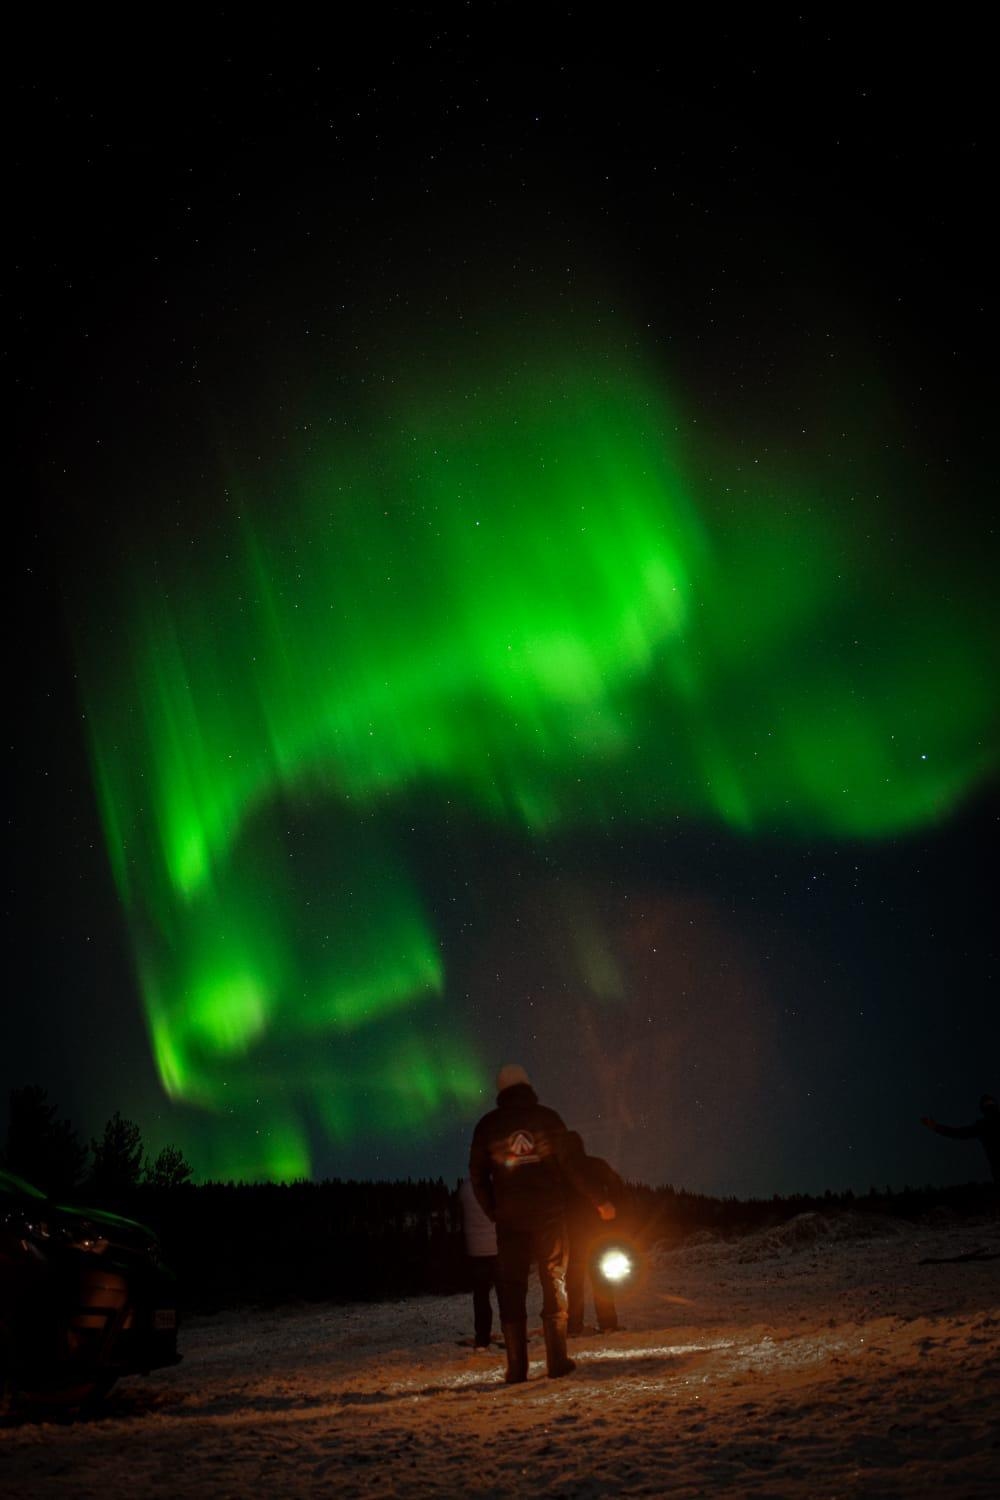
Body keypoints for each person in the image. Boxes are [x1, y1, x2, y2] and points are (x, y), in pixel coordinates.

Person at [469, 1063, 615, 1384]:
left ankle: (516, 1369)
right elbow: (573, 1165)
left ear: (500, 1090)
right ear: (527, 1085)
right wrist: (600, 1200)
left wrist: (495, 1210)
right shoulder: (547, 1118)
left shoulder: (487, 1126)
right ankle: (557, 1361)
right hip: (549, 1215)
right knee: (553, 1278)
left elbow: (477, 1176)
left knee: (510, 1286)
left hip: (509, 1218)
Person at [564, 1130, 626, 1336]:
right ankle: (608, 1322)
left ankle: (573, 1325)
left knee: (574, 1282)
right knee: (601, 1277)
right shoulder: (597, 1165)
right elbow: (617, 1187)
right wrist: (614, 1212)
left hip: (574, 1233)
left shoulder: (563, 1171)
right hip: (599, 1230)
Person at [921, 1094, 999, 1189]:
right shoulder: (982, 1126)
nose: (990, 1107)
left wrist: (935, 1127)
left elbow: (958, 1133)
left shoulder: (982, 1125)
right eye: (988, 1105)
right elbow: (958, 1133)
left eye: (991, 1104)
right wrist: (936, 1127)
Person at [458, 1176, 498, 1352]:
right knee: (507, 1296)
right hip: (497, 1248)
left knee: (481, 1297)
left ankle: (482, 1337)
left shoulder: (465, 1188)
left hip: (475, 1250)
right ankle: (513, 1334)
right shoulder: (496, 1187)